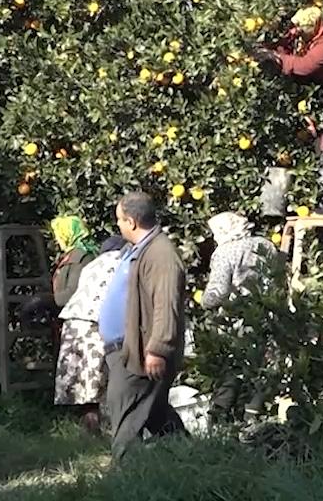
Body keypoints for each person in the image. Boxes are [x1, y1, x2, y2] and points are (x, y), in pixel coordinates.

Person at [98, 191, 188, 461]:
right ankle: (191, 459)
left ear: (132, 222)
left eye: (119, 220)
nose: (118, 225)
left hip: (141, 350)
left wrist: (158, 348)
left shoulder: (161, 255)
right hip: (127, 347)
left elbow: (165, 303)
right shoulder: (139, 250)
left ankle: (125, 475)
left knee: (125, 409)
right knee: (155, 413)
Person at [253, 6, 323, 215]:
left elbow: (306, 65)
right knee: (317, 144)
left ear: (315, 26)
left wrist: (278, 58)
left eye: (304, 30)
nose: (301, 34)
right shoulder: (313, 33)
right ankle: (283, 205)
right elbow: (290, 38)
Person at [200, 211, 279, 424]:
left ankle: (219, 419)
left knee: (232, 369)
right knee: (261, 368)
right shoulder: (266, 245)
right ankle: (254, 414)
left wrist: (204, 302)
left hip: (236, 320)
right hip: (266, 315)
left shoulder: (225, 252)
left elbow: (218, 291)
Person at [55, 234, 127, 433]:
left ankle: (91, 432)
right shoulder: (122, 263)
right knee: (104, 379)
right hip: (96, 324)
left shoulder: (93, 265)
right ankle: (108, 431)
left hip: (73, 323)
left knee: (84, 384)